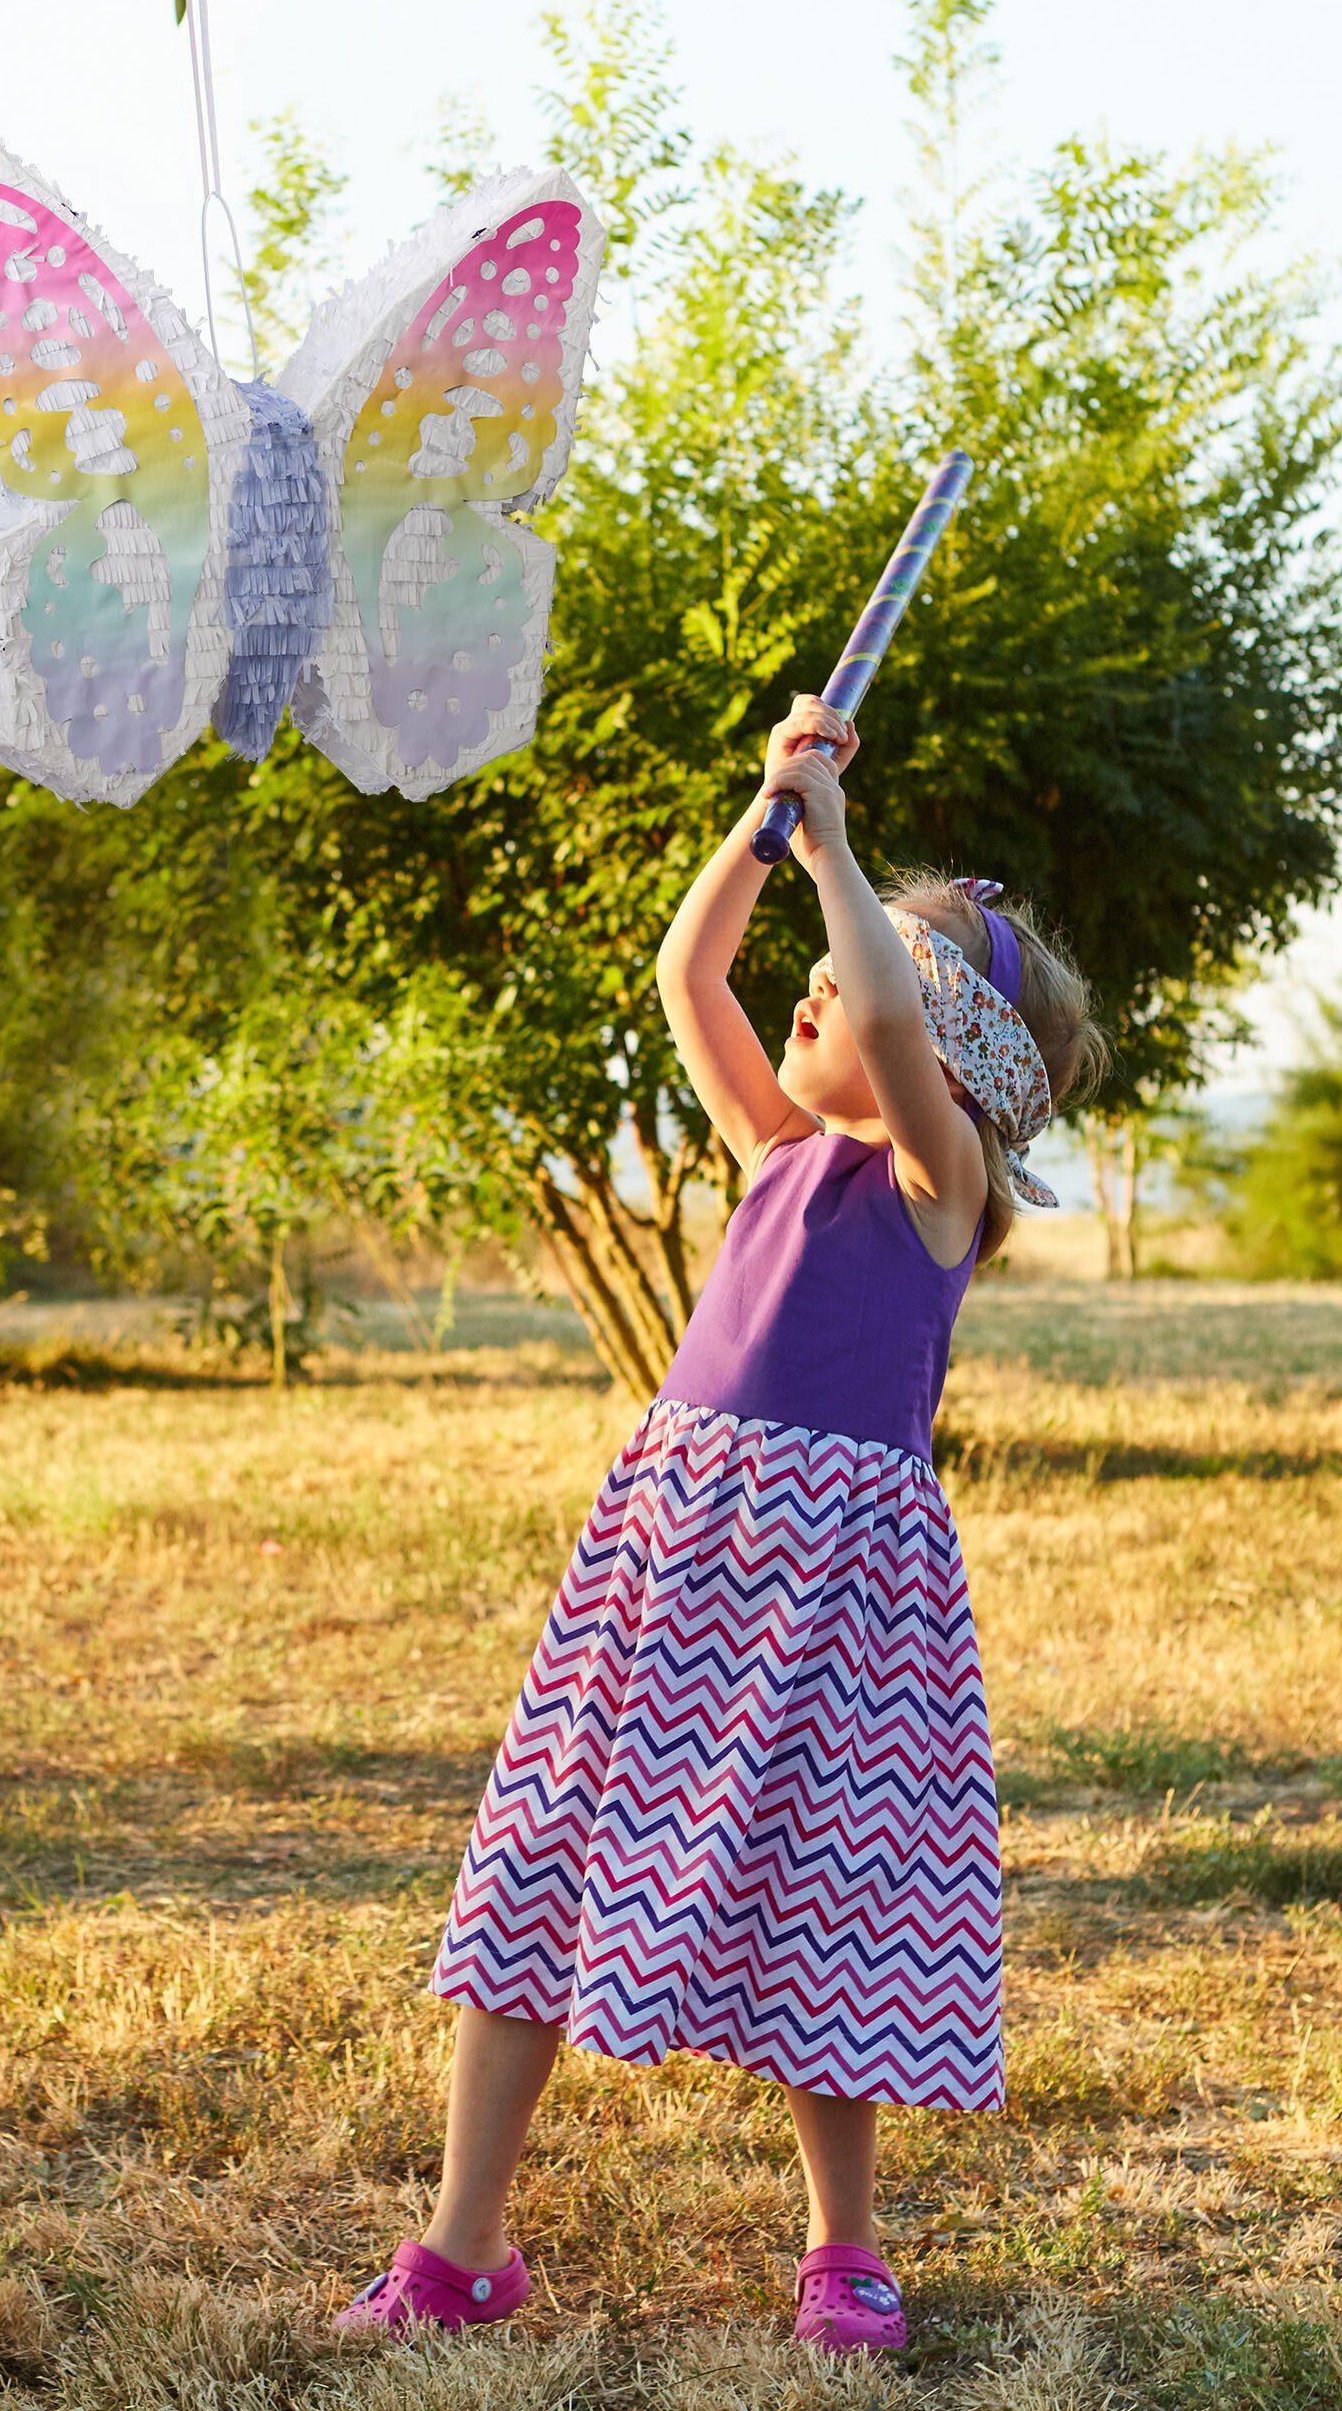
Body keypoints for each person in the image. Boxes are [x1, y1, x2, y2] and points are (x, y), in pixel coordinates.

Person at [339, 695, 1107, 2355]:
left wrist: (839, 855)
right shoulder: (773, 1154)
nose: (819, 986)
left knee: (830, 1908)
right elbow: (692, 975)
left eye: (854, 977)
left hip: (837, 1599)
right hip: (676, 1565)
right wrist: (769, 825)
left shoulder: (935, 1188)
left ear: (950, 1061)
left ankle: (844, 2252)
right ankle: (462, 2247)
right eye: (831, 961)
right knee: (539, 1865)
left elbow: (894, 1031)